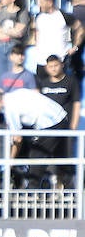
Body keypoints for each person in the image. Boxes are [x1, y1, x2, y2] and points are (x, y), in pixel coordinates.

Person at [35, 55, 80, 188]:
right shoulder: (43, 83)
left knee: (66, 157)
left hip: (66, 128)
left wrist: (73, 126)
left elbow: (76, 103)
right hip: (48, 128)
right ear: (46, 68)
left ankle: (69, 185)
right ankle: (51, 184)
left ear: (62, 65)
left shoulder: (71, 81)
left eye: (56, 65)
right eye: (50, 66)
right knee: (48, 156)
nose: (54, 69)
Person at [0, 0, 30, 79]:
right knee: (1, 79)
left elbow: (19, 33)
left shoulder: (21, 12)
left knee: (14, 77)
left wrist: (2, 30)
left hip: (14, 48)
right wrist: (10, 31)